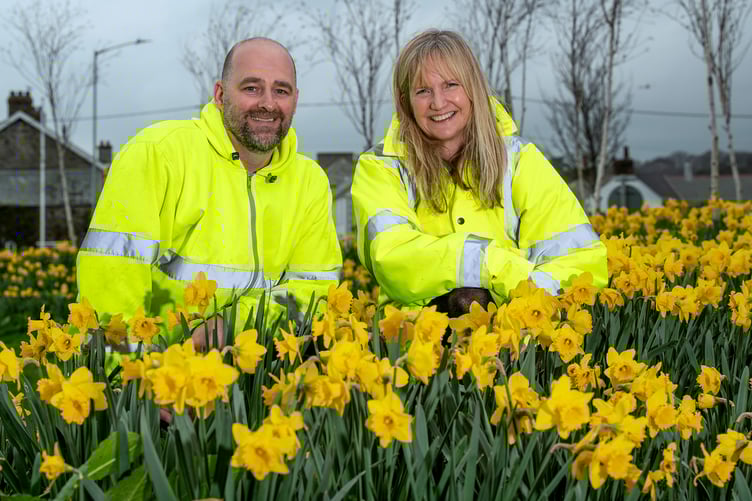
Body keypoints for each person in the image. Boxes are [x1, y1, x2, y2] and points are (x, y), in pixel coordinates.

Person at [77, 38, 343, 346]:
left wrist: (231, 325)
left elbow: (314, 292)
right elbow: (111, 282)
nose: (268, 103)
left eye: (280, 90)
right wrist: (130, 381)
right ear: (219, 94)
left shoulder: (310, 181)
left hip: (264, 368)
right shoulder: (158, 154)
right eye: (251, 88)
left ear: (295, 100)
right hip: (158, 373)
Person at [351, 30, 607, 317]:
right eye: (423, 91)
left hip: (518, 345)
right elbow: (393, 260)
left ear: (473, 88)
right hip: (415, 345)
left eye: (450, 84)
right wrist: (492, 264)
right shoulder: (381, 167)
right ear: (405, 100)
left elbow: (582, 264)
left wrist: (510, 307)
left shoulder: (520, 160)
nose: (438, 102)